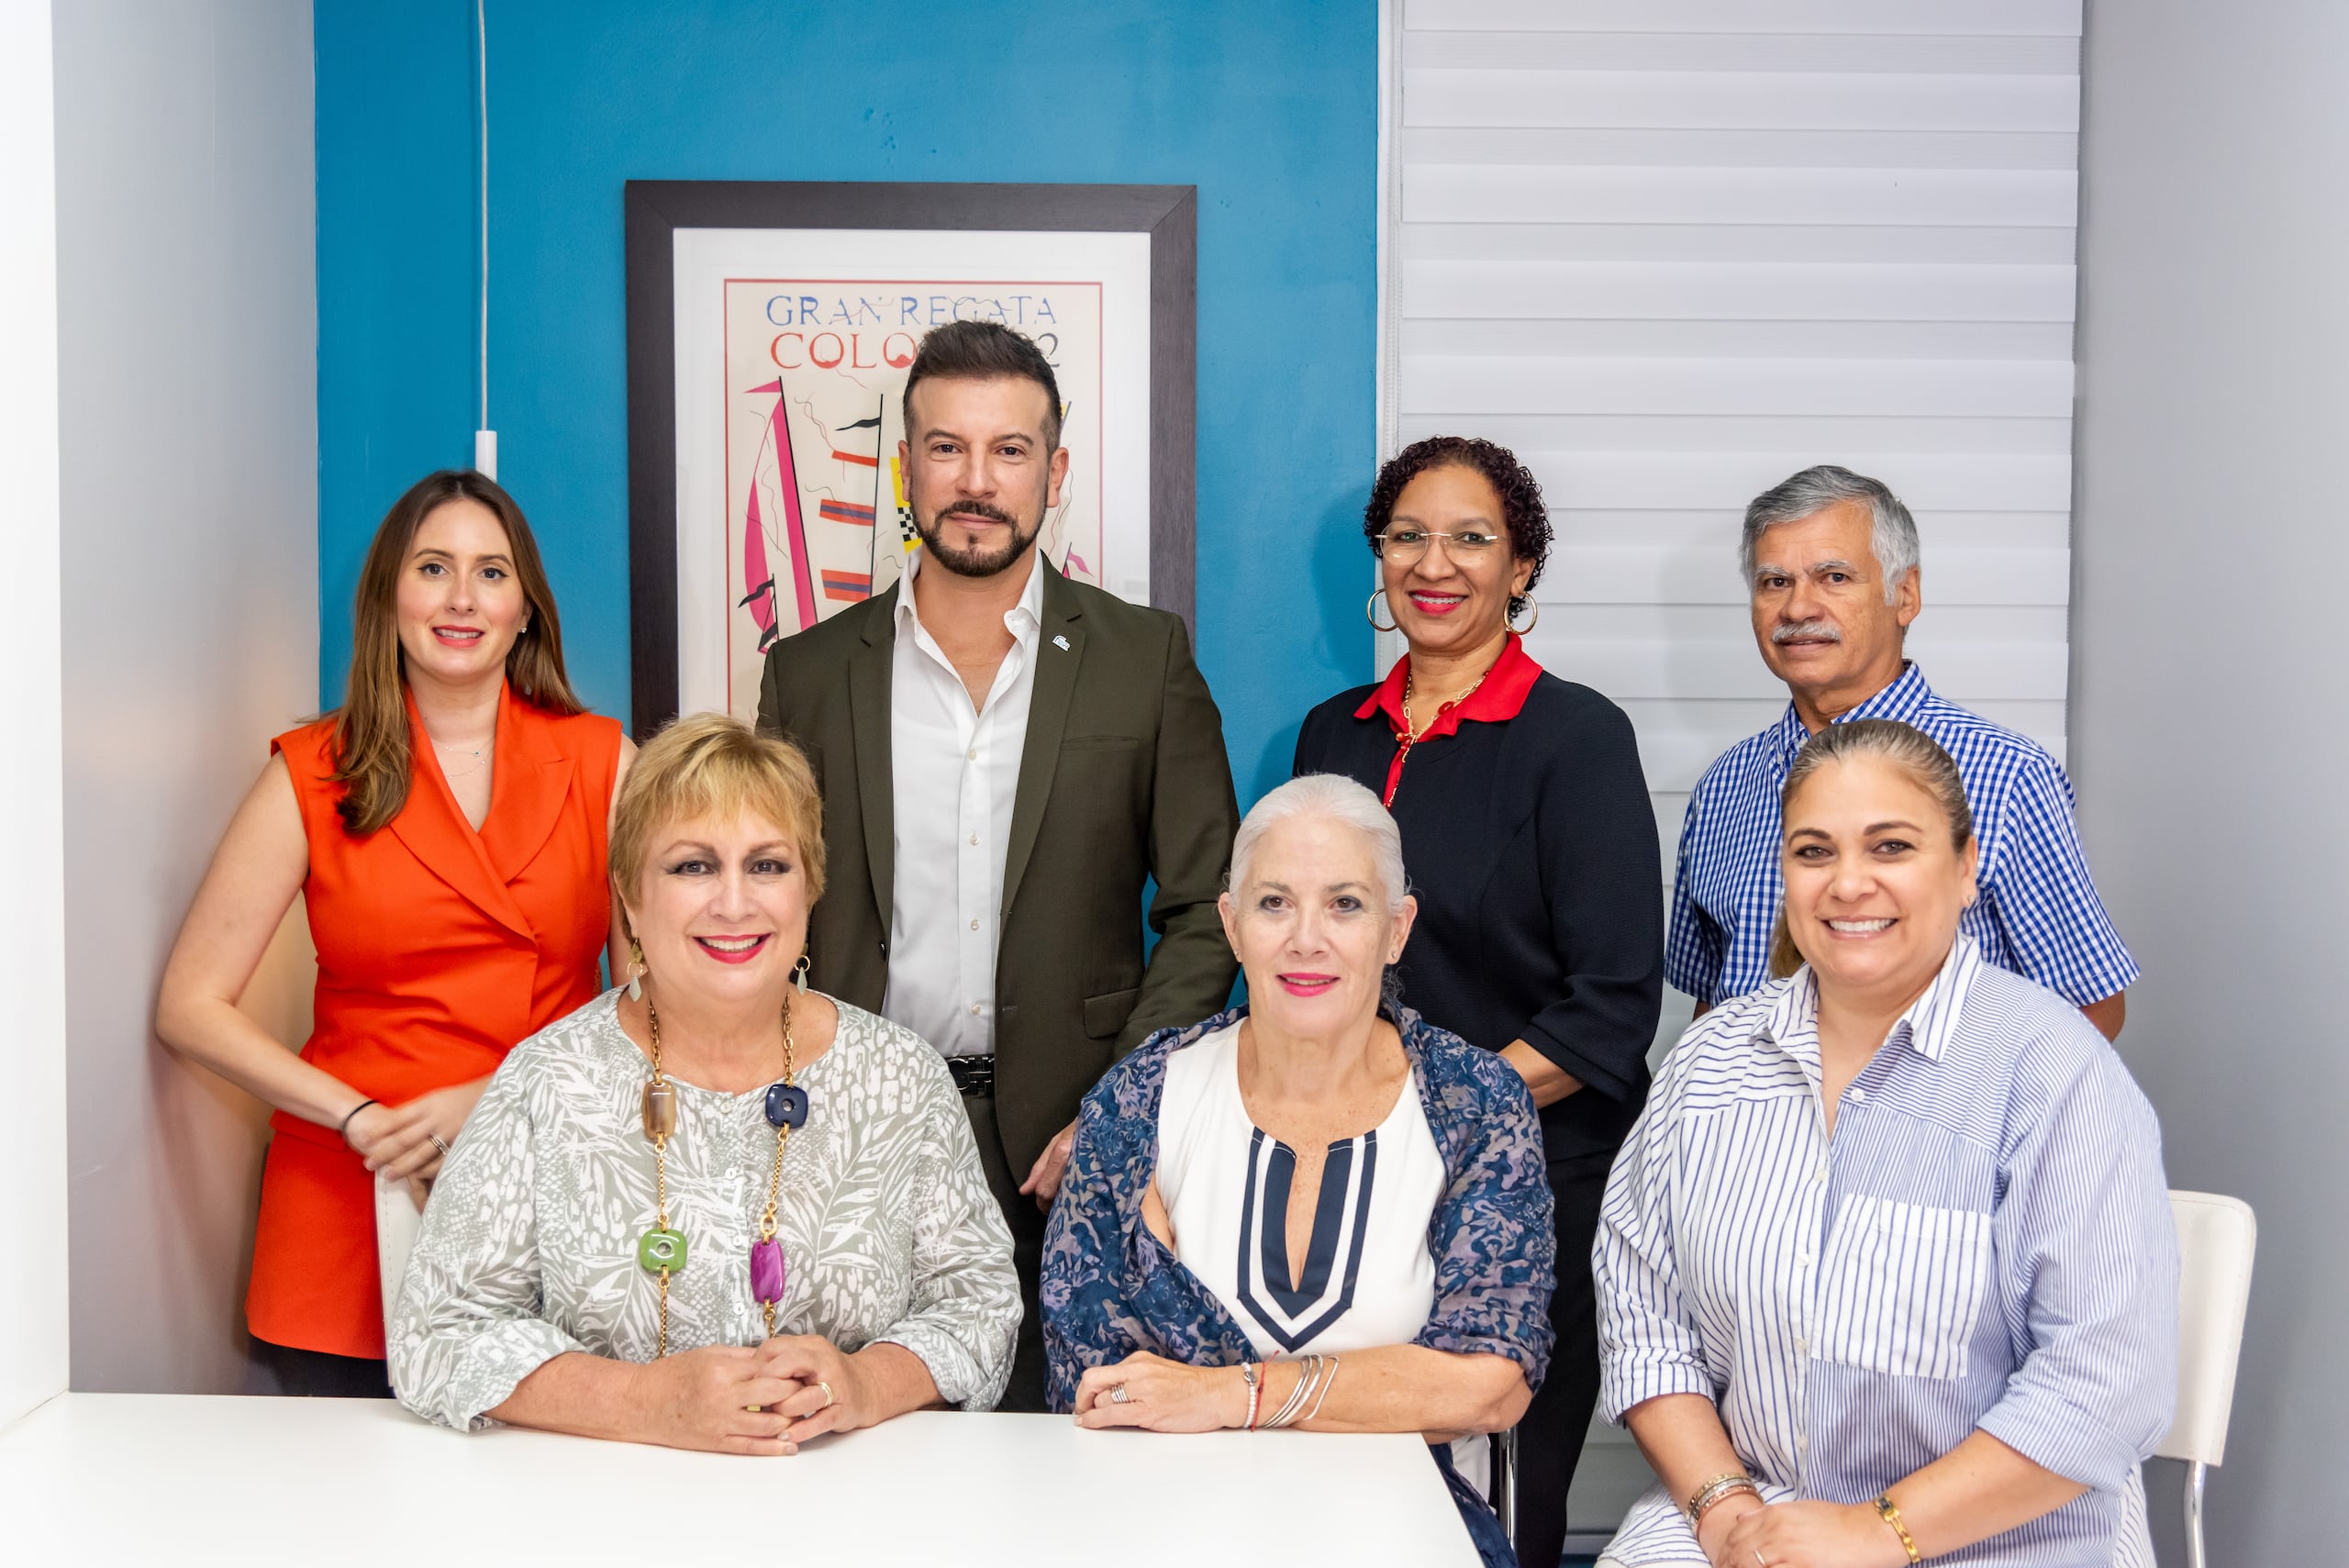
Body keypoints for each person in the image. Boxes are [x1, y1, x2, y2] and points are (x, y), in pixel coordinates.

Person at [755, 318, 1240, 1410]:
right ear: (904, 466)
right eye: (945, 447)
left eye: (1009, 450)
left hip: (1069, 1144)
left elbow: (1209, 909)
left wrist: (1119, 1109)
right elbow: (763, 911)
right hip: (855, 1138)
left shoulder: (1142, 658)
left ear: (1053, 471)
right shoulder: (810, 673)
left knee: (1057, 1457)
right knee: (858, 1440)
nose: (976, 481)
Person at [1595, 719, 2176, 1567]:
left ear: (1967, 865)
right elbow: (1645, 1319)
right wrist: (1725, 1510)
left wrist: (1875, 1531)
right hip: (1754, 1510)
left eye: (1891, 846)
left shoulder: (2055, 1073)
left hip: (2009, 1532)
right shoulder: (1709, 1066)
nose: (1849, 883)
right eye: (1814, 851)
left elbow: (2102, 1386)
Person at [391, 714, 1019, 1443]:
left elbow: (980, 1308)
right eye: (693, 865)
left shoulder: (902, 1079)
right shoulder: (547, 1080)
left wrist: (866, 1382)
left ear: (808, 890)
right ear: (629, 895)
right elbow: (436, 1334)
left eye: (767, 865)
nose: (733, 902)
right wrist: (639, 1400)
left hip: (850, 1509)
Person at [157, 470, 630, 1396]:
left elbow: (662, 999)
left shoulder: (605, 760)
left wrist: (492, 1097)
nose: (462, 596)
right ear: (389, 597)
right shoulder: (310, 773)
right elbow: (189, 1004)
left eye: (492, 573)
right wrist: (357, 1117)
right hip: (351, 1199)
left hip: (556, 1189)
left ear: (526, 609)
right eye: (433, 567)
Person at [1293, 434, 1663, 1568]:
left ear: (1522, 569)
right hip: (1347, 1176)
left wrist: (1439, 1117)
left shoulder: (1577, 737)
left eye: (1470, 537)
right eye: (1407, 534)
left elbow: (1610, 1007)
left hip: (1526, 1184)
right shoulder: (1331, 734)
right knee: (1339, 1483)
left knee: (1499, 1506)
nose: (1432, 562)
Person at [1041, 774, 1556, 1568]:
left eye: (1345, 904)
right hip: (1173, 1527)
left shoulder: (1476, 1103)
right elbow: (1101, 1386)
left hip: (1408, 1528)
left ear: (1397, 928)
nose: (1306, 938)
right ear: (1231, 925)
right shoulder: (1142, 1098)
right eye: (1274, 903)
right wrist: (1389, 1384)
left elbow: (1488, 1383)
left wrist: (1220, 1386)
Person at [1671, 463, 2137, 1038]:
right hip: (1752, 1127)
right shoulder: (1724, 785)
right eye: (1775, 583)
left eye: (1834, 577)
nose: (1797, 609)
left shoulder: (2007, 775)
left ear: (1905, 595)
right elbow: (1713, 1007)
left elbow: (2089, 1008)